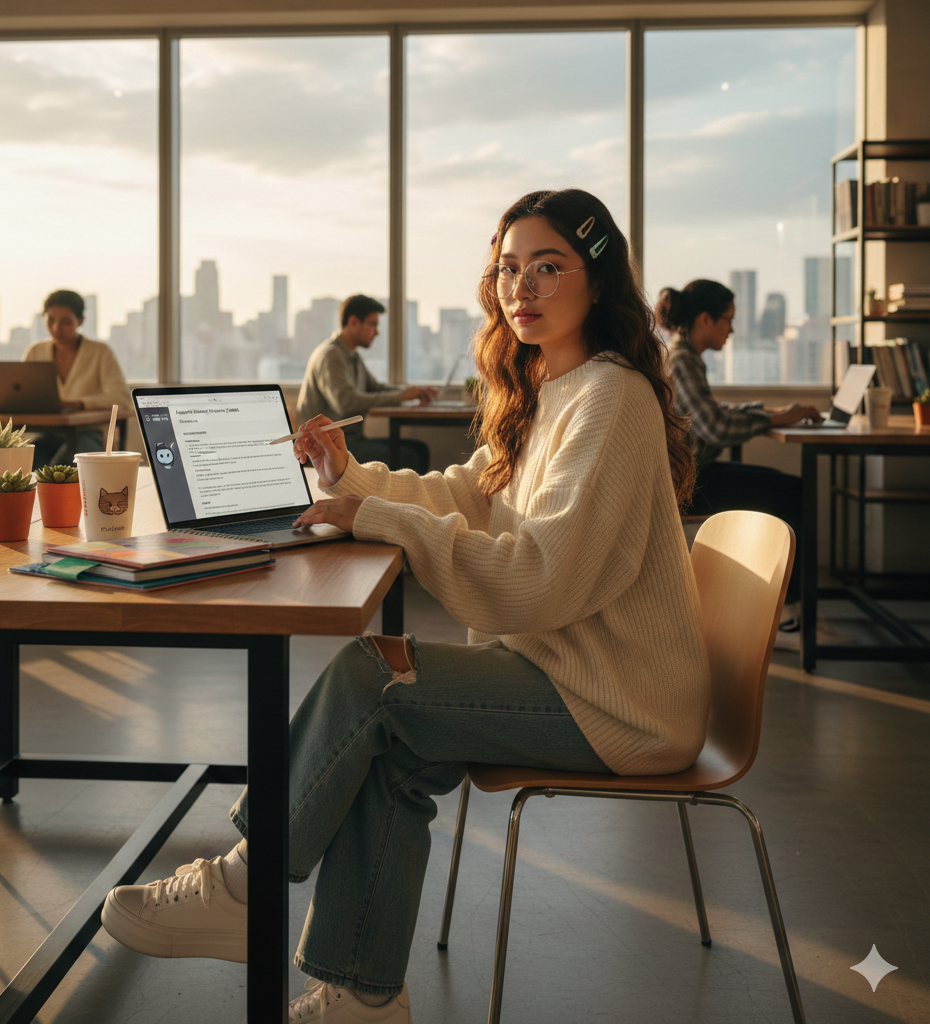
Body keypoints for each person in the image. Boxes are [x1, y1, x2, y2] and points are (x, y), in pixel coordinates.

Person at [100, 189, 712, 1023]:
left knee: (372, 680)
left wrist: (378, 517)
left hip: (620, 702)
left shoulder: (611, 399)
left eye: (547, 267)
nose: (520, 288)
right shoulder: (551, 386)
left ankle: (245, 885)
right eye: (507, 270)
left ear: (597, 283)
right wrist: (350, 480)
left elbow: (540, 579)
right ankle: (363, 997)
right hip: (563, 672)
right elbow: (470, 494)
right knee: (390, 751)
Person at [657, 279, 824, 649]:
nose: (732, 329)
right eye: (727, 320)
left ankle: (780, 609)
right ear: (705, 319)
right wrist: (770, 419)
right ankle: (786, 619)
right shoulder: (683, 360)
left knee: (788, 488)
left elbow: (709, 414)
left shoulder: (684, 356)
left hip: (696, 474)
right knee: (794, 492)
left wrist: (770, 413)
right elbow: (715, 427)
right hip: (688, 485)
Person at [296, 295, 437, 473]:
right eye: (373, 324)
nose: (377, 332)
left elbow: (376, 388)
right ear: (353, 322)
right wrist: (401, 396)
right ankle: (399, 502)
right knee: (410, 456)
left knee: (419, 450)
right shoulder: (331, 356)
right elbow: (346, 403)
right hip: (326, 448)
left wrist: (411, 392)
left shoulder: (352, 356)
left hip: (351, 440)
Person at [22, 289, 132, 467]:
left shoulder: (100, 353)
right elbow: (22, 393)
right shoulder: (36, 351)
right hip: (49, 432)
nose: (56, 328)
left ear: (80, 321)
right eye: (50, 320)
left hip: (89, 432)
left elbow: (122, 398)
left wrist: (80, 403)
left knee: (61, 467)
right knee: (29, 461)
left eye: (65, 322)